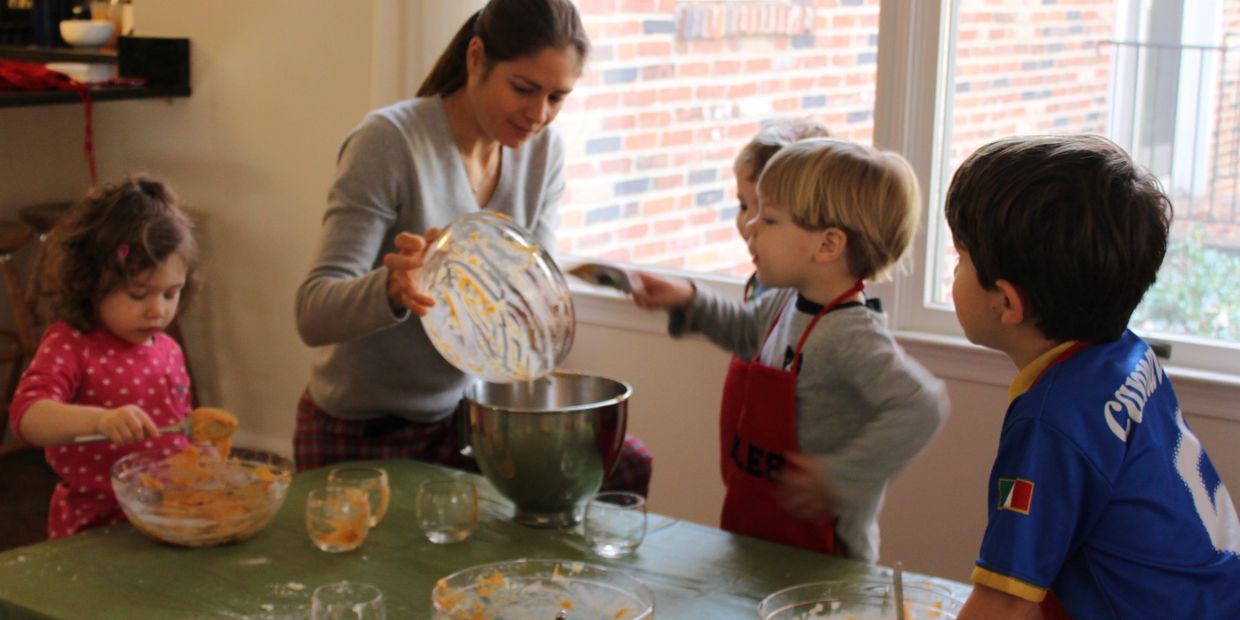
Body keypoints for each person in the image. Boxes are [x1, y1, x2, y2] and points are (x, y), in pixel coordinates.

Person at [294, 0, 652, 495]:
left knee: (625, 466)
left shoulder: (543, 153)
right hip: (359, 431)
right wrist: (394, 289)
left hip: (464, 421)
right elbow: (313, 314)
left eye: (557, 97)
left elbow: (522, 301)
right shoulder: (389, 142)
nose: (539, 115)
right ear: (476, 57)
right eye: (524, 89)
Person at [947, 134, 1240, 619]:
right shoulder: (1129, 355)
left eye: (960, 260)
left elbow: (1005, 603)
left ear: (1007, 302)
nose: (954, 272)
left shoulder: (1052, 422)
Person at [632, 138, 948, 562]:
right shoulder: (786, 301)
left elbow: (922, 405)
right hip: (758, 535)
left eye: (770, 218)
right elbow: (746, 332)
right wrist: (689, 299)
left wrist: (840, 477)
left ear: (828, 245)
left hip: (824, 558)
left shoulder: (850, 334)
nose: (751, 227)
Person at [8, 175, 199, 539]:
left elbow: (180, 429)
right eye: (138, 295)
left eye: (171, 294)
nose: (157, 311)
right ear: (89, 282)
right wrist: (100, 421)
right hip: (94, 529)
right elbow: (26, 417)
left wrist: (201, 452)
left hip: (166, 516)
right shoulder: (72, 343)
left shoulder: (168, 350)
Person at [733, 118, 831, 302]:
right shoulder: (768, 278)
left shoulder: (811, 298)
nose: (747, 221)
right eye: (743, 206)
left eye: (768, 216)